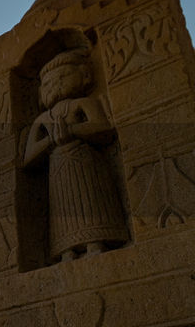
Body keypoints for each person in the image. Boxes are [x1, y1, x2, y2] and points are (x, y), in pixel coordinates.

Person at [24, 46, 127, 261]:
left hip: (87, 163)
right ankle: (67, 250)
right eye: (48, 84)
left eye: (62, 77)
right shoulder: (43, 119)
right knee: (64, 212)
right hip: (58, 171)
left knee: (92, 202)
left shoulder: (83, 103)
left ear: (85, 76)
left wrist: (71, 131)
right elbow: (29, 156)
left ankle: (96, 242)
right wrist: (51, 142)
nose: (55, 85)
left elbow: (102, 128)